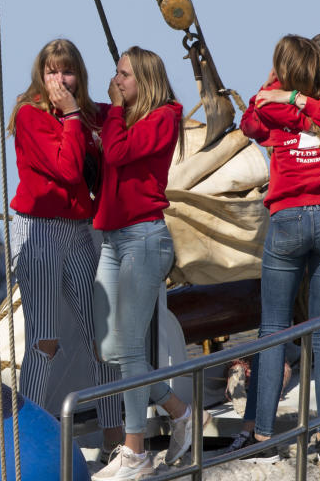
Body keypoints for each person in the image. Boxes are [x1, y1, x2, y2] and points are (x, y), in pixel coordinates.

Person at [237, 35, 320, 462]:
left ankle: (262, 437)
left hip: (288, 218)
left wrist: (287, 91)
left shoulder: (284, 102)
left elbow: (252, 120)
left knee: (273, 328)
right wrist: (295, 95)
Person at [6, 38, 123, 454]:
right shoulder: (30, 115)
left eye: (67, 71)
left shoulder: (91, 115)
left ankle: (115, 439)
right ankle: (26, 440)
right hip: (38, 230)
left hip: (77, 228)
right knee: (45, 340)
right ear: (41, 74)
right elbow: (69, 169)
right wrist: (73, 115)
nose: (60, 79)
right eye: (53, 71)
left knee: (101, 340)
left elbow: (134, 117)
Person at [92, 47, 202, 478]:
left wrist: (115, 111)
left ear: (145, 80)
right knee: (111, 347)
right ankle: (180, 411)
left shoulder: (163, 117)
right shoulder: (121, 116)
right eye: (116, 74)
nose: (117, 81)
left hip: (144, 237)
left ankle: (134, 451)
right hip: (113, 239)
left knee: (132, 347)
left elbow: (118, 153)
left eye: (124, 75)